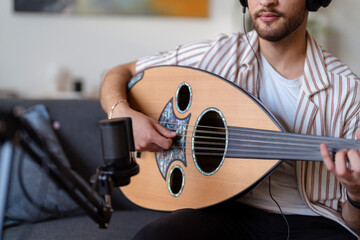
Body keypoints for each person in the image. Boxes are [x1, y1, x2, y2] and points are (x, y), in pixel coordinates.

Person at [100, 0, 360, 239]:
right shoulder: (218, 54)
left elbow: (354, 224)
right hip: (224, 211)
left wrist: (356, 193)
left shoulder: (347, 90)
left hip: (312, 220)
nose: (267, 1)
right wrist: (122, 113)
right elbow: (120, 72)